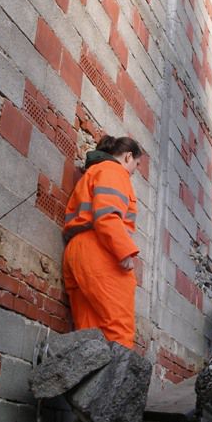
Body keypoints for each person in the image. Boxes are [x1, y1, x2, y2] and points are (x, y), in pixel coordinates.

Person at [63, 135, 142, 348]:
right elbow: (107, 215)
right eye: (137, 164)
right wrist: (124, 252)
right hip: (101, 251)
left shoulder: (94, 172)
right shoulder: (114, 171)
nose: (135, 171)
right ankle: (118, 382)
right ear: (128, 157)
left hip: (77, 250)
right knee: (119, 331)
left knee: (88, 336)